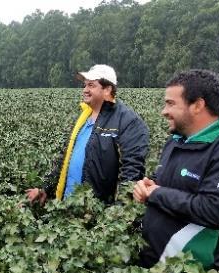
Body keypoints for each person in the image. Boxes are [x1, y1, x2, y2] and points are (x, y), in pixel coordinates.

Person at [134, 69, 219, 272]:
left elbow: (218, 210)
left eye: (171, 103)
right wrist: (146, 185)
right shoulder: (176, 140)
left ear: (198, 105)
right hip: (157, 266)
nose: (163, 111)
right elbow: (161, 181)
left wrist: (156, 193)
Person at [26, 64, 149, 204]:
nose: (85, 90)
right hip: (67, 208)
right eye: (84, 85)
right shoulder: (83, 118)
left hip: (97, 216)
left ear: (107, 90)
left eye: (91, 85)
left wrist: (116, 216)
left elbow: (132, 174)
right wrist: (45, 188)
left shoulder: (129, 122)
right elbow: (64, 160)